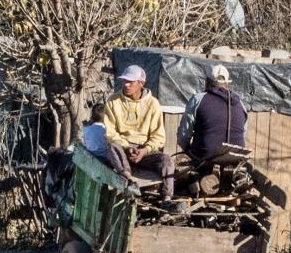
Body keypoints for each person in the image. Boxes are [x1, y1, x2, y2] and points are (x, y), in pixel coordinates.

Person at [101, 65, 179, 209]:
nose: (126, 84)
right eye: (125, 81)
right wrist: (127, 146)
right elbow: (111, 133)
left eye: (131, 82)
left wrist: (145, 150)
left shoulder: (153, 104)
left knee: (167, 161)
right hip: (123, 148)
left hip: (144, 151)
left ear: (141, 83)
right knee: (112, 147)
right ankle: (129, 180)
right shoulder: (113, 101)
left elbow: (158, 136)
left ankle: (167, 197)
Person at [178, 64, 248, 162]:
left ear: (208, 82)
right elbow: (243, 134)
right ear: (227, 84)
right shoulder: (240, 104)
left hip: (204, 158)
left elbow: (183, 135)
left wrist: (187, 149)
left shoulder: (198, 99)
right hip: (236, 159)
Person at [81, 102, 131, 179]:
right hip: (104, 159)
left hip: (91, 157)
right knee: (117, 148)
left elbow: (85, 142)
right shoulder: (105, 129)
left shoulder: (86, 129)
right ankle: (123, 171)